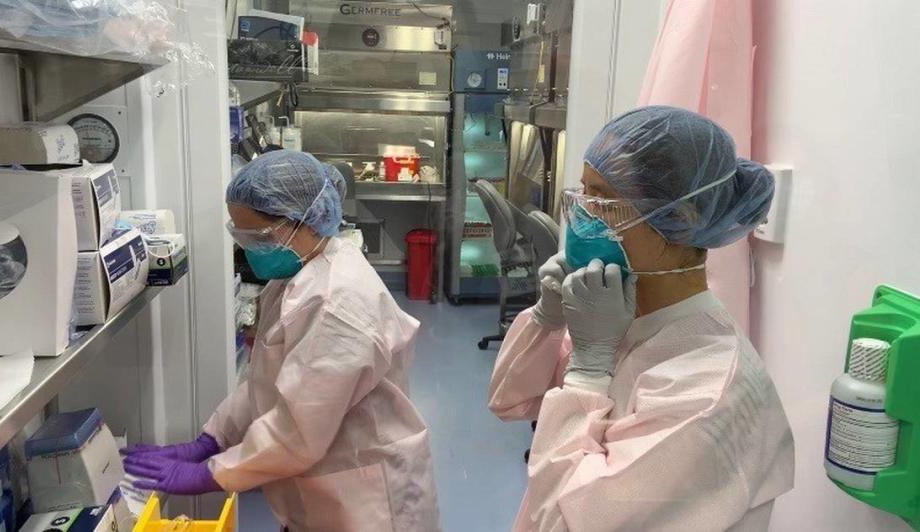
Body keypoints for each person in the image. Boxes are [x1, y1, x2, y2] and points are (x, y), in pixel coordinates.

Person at [488, 106, 795, 531]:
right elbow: (508, 399)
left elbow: (566, 521)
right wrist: (547, 318)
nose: (581, 217)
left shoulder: (704, 394)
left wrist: (588, 371)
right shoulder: (619, 316)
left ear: (679, 220)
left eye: (604, 203)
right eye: (583, 194)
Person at [123, 151, 441, 531]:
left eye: (257, 236)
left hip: (366, 502)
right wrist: (213, 437)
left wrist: (211, 472)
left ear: (305, 222)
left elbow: (297, 431)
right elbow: (267, 378)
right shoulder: (298, 275)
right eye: (239, 236)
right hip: (324, 489)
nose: (247, 248)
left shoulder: (336, 304)